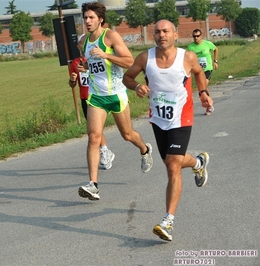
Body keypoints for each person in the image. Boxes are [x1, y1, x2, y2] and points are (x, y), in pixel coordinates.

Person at [123, 20, 212, 241]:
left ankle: (168, 221)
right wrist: (136, 86)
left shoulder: (187, 57)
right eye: (157, 32)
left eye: (166, 31)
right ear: (153, 36)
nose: (161, 35)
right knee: (172, 161)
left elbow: (200, 74)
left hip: (182, 117)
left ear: (174, 35)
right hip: (158, 119)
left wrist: (203, 93)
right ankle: (198, 163)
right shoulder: (146, 58)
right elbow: (127, 77)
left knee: (173, 164)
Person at [77, 2, 153, 201]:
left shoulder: (110, 36)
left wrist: (106, 55)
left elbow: (129, 61)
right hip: (96, 97)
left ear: (100, 19)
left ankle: (145, 150)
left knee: (127, 134)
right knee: (94, 137)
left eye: (91, 17)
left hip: (116, 94)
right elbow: (88, 63)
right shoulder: (83, 41)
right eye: (85, 17)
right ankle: (93, 185)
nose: (87, 21)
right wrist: (85, 68)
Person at [69, 34, 115, 170]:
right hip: (85, 98)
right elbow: (72, 84)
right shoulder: (75, 63)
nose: (83, 45)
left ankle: (105, 151)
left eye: (85, 42)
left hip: (98, 95)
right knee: (94, 129)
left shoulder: (97, 57)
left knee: (97, 129)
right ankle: (105, 151)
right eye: (81, 43)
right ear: (78, 46)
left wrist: (88, 70)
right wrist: (72, 80)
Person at [187, 29, 218, 115]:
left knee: (204, 86)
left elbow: (216, 49)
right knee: (203, 88)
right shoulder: (190, 47)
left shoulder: (207, 44)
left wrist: (215, 61)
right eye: (194, 36)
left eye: (197, 36)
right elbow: (187, 58)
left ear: (201, 36)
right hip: (197, 71)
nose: (196, 38)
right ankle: (209, 105)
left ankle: (208, 106)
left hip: (207, 68)